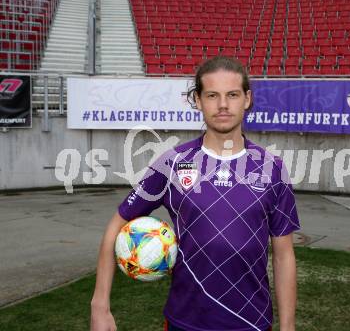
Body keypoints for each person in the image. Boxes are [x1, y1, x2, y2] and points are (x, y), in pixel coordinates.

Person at [90, 56, 300, 331]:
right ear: (198, 100)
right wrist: (99, 306)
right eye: (212, 95)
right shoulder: (172, 163)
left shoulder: (273, 169)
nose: (223, 105)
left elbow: (284, 255)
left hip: (252, 322)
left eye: (232, 95)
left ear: (247, 99)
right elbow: (116, 225)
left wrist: (288, 327)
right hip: (184, 322)